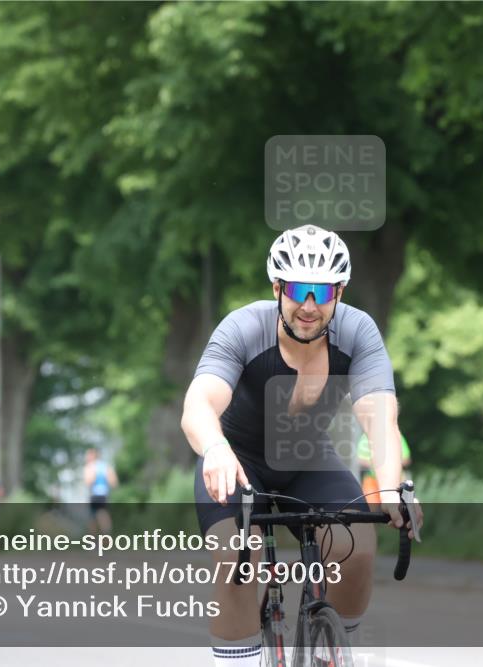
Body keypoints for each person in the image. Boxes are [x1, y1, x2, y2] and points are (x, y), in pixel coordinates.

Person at [181, 224, 423, 667]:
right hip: (236, 459)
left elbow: (379, 418)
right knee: (241, 556)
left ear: (340, 292)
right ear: (277, 287)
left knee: (358, 546)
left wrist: (390, 490)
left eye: (323, 291)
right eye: (297, 289)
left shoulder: (358, 332)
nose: (309, 305)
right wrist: (214, 448)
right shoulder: (244, 327)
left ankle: (332, 651)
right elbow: (199, 404)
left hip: (307, 457)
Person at [357, 429, 412, 510]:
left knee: (399, 510)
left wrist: (390, 463)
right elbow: (361, 460)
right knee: (370, 510)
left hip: (396, 480)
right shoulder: (366, 437)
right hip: (372, 481)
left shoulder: (396, 435)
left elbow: (406, 460)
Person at [84, 448, 119, 535]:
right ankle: (103, 539)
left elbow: (88, 482)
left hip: (97, 495)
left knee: (97, 517)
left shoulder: (90, 467)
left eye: (88, 455)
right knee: (100, 516)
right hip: (103, 495)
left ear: (93, 456)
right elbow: (114, 483)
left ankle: (99, 541)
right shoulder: (106, 466)